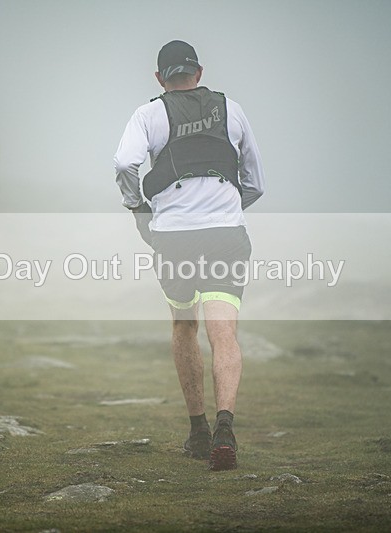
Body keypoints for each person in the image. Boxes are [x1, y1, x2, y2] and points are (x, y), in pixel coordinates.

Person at [114, 40, 264, 470]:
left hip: (174, 238)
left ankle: (198, 430)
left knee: (184, 325)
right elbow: (256, 182)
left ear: (160, 79)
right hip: (225, 236)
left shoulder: (148, 113)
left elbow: (126, 164)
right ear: (198, 73)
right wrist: (226, 208)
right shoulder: (231, 109)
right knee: (224, 332)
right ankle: (225, 428)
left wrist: (137, 206)